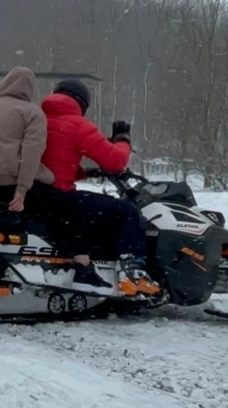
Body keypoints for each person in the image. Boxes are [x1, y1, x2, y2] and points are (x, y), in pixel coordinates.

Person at [40, 79, 159, 296]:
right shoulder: (76, 124)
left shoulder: (38, 119)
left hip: (37, 194)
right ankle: (131, 272)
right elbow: (115, 161)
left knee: (87, 208)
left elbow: (53, 158)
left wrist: (85, 172)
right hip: (59, 196)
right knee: (126, 212)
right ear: (82, 103)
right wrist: (123, 140)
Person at [0, 66, 57, 224]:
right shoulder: (32, 113)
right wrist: (22, 190)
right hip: (8, 185)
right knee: (59, 204)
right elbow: (31, 153)